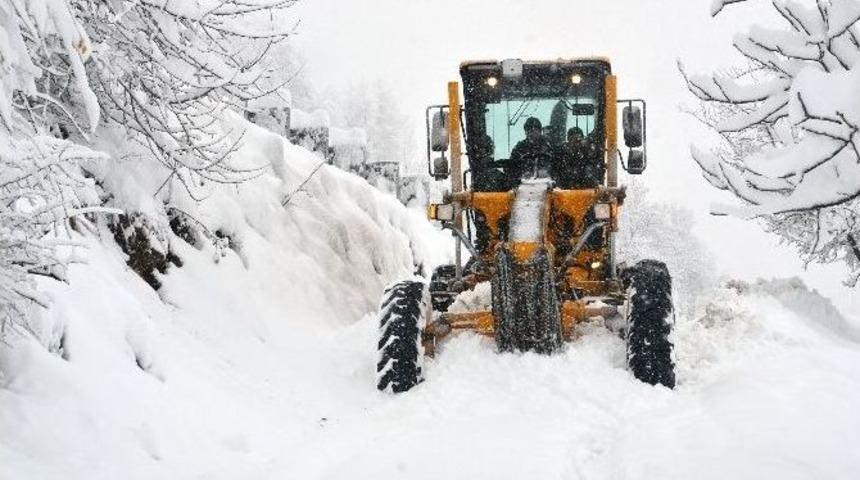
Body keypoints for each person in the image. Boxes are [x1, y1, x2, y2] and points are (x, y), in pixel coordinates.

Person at [509, 117, 554, 182]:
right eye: (527, 131)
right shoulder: (519, 149)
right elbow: (512, 168)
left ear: (540, 131)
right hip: (524, 185)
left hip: (547, 185)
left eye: (533, 130)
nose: (530, 133)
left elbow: (557, 167)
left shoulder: (550, 147)